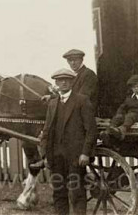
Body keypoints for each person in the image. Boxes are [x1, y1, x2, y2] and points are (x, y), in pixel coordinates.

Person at [40, 68, 97, 215]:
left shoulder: (82, 101)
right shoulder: (52, 104)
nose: (64, 83)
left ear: (72, 82)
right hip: (56, 155)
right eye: (60, 80)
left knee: (77, 192)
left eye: (67, 80)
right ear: (56, 83)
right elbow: (46, 131)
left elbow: (91, 130)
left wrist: (85, 153)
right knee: (59, 193)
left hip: (75, 156)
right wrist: (45, 154)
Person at [43, 49, 98, 114]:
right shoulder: (74, 75)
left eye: (75, 60)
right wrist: (51, 97)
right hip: (76, 110)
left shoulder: (88, 74)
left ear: (81, 60)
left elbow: (82, 98)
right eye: (70, 60)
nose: (72, 63)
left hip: (84, 113)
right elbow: (69, 94)